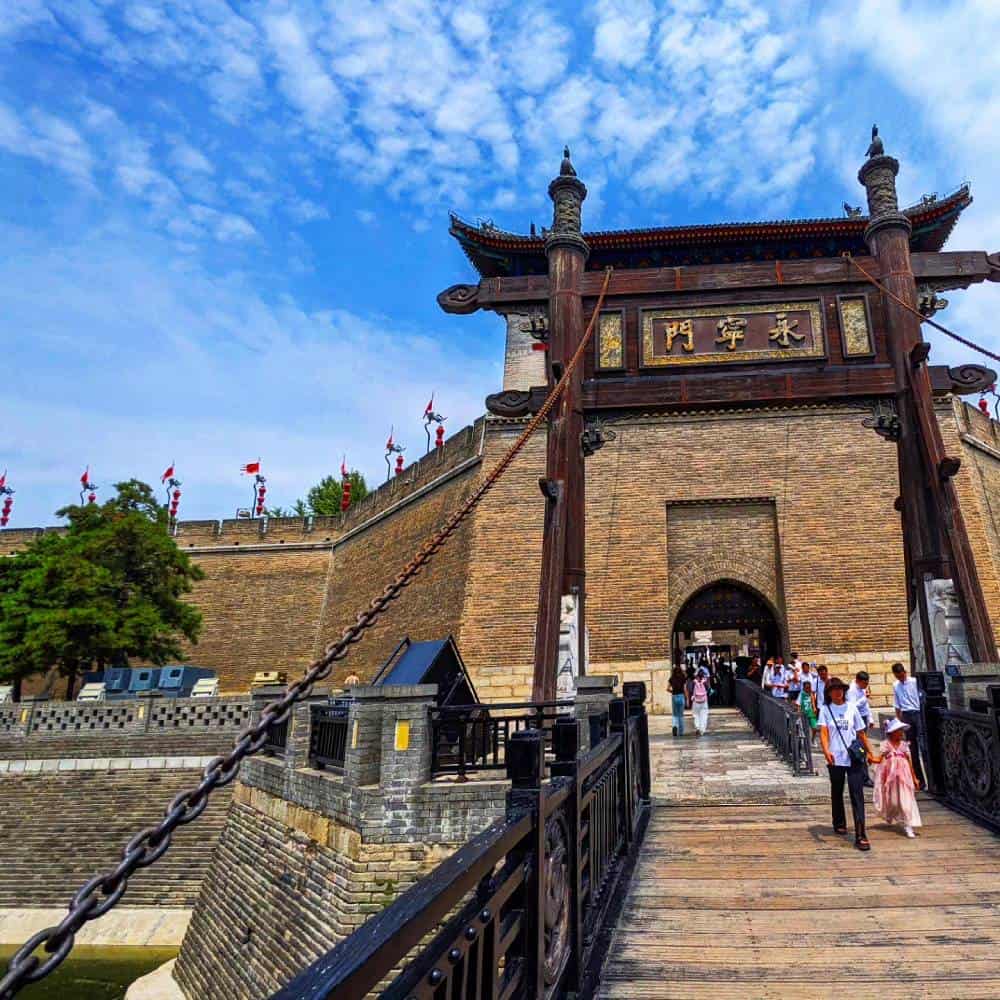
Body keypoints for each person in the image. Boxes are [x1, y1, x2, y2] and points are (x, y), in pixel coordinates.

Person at [819, 676, 877, 851]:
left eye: (840, 689)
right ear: (829, 693)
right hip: (836, 758)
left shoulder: (852, 708)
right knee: (837, 791)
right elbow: (823, 732)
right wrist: (826, 750)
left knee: (856, 794)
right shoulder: (826, 710)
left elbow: (861, 733)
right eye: (833, 690)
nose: (837, 692)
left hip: (853, 758)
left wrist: (870, 752)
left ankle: (861, 835)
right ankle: (839, 822)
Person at [872, 719, 923, 837]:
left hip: (904, 777)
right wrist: (871, 760)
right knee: (894, 801)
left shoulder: (904, 746)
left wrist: (914, 777)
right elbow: (880, 760)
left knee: (906, 801)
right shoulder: (886, 745)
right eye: (898, 731)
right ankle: (894, 815)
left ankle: (908, 825)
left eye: (901, 731)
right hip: (891, 777)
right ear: (892, 732)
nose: (901, 734)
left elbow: (909, 762)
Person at [891, 662, 925, 787]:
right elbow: (897, 704)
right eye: (898, 676)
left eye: (901, 675)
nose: (900, 678)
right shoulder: (896, 685)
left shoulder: (914, 682)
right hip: (906, 715)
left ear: (904, 672)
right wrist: (898, 722)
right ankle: (920, 780)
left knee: (923, 744)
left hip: (917, 713)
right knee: (912, 746)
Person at [687, 667, 711, 736]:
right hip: (704, 701)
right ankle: (702, 730)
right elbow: (709, 689)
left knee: (696, 715)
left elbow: (690, 690)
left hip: (696, 701)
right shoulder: (705, 682)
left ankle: (697, 727)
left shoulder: (693, 682)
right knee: (704, 715)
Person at [669, 665, 688, 738]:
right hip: (681, 696)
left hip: (674, 697)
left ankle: (674, 726)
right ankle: (681, 732)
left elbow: (667, 688)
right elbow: (685, 689)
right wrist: (687, 699)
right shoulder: (683, 678)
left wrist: (673, 691)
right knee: (681, 715)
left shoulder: (671, 678)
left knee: (675, 714)